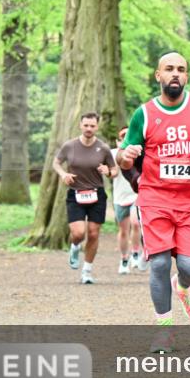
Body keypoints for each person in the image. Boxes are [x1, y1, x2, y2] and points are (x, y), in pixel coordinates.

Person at [116, 51, 190, 347]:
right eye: (169, 69)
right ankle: (164, 331)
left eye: (181, 69)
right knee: (160, 264)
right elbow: (124, 158)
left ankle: (184, 288)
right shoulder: (145, 113)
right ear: (158, 75)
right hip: (155, 198)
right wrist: (125, 156)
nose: (175, 73)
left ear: (186, 76)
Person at [54, 112, 118, 285]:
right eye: (86, 125)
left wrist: (109, 172)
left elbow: (115, 170)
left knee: (93, 233)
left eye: (92, 126)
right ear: (80, 125)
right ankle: (75, 247)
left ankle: (87, 271)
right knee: (78, 233)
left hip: (97, 194)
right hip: (75, 194)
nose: (89, 128)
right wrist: (63, 174)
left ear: (97, 127)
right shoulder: (70, 146)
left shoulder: (103, 148)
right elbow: (56, 162)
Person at [112, 126, 144, 274]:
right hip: (120, 198)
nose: (126, 138)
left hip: (135, 196)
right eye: (122, 136)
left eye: (128, 135)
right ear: (118, 141)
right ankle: (124, 259)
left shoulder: (139, 153)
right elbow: (111, 172)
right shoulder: (113, 154)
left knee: (136, 223)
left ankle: (136, 253)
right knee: (123, 230)